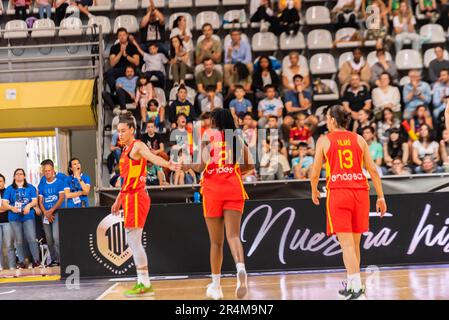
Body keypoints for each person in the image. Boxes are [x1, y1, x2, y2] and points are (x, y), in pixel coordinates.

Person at [310, 105, 387, 300]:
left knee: (347, 246)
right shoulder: (359, 139)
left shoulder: (324, 140)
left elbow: (315, 172)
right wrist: (381, 196)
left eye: (327, 118)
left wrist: (313, 190)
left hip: (339, 193)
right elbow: (373, 170)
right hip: (360, 194)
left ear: (333, 121)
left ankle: (358, 290)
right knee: (354, 244)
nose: (326, 121)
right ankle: (353, 287)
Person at [183, 108, 254, 300]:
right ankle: (240, 268)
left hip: (213, 191)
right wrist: (234, 172)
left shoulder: (208, 136)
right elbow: (250, 166)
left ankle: (216, 286)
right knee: (233, 236)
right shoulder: (235, 138)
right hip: (233, 188)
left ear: (214, 121)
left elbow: (199, 167)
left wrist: (185, 164)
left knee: (216, 242)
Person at [110, 114, 180, 297]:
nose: (120, 134)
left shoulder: (138, 146)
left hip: (137, 197)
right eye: (118, 131)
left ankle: (145, 284)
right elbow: (126, 180)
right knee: (132, 241)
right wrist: (118, 198)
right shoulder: (124, 150)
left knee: (133, 241)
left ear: (132, 130)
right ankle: (142, 283)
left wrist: (168, 164)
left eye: (123, 131)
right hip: (128, 196)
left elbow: (152, 157)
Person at [2, 168, 41, 269]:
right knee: (18, 241)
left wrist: (28, 206)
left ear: (24, 176)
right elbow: (5, 204)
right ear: (14, 177)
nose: (19, 176)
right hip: (14, 218)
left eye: (21, 174)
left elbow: (34, 201)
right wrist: (11, 208)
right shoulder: (9, 189)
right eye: (17, 174)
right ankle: (22, 261)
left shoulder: (30, 187)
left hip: (28, 216)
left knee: (32, 239)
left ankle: (36, 260)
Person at [38, 161, 66, 267]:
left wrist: (51, 211)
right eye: (45, 171)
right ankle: (54, 259)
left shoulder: (59, 182)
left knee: (56, 237)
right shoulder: (42, 184)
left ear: (53, 170)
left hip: (57, 212)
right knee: (49, 239)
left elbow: (61, 198)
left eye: (49, 170)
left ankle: (60, 260)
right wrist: (46, 213)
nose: (47, 172)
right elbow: (40, 201)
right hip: (45, 214)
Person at [104, 28, 139, 92]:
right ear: (118, 37)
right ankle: (115, 90)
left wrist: (125, 55)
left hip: (131, 68)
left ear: (127, 35)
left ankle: (138, 92)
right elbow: (112, 63)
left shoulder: (132, 47)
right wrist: (120, 52)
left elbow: (136, 62)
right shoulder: (114, 48)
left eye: (124, 35)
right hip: (119, 69)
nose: (122, 37)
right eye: (120, 35)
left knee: (140, 72)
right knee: (109, 73)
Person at [0, 174, 16, 271]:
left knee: (9, 245)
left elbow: (10, 206)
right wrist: (4, 207)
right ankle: (0, 266)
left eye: (0, 181)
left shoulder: (8, 191)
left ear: (4, 182)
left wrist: (4, 207)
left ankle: (12, 266)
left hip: (7, 222)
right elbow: (5, 206)